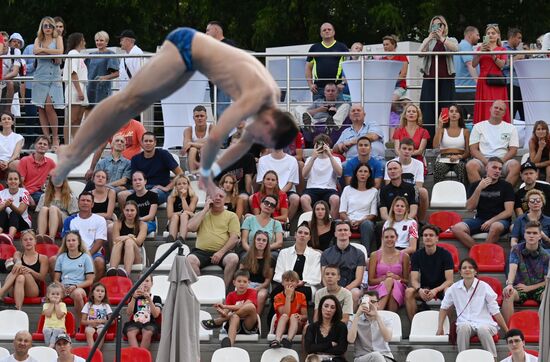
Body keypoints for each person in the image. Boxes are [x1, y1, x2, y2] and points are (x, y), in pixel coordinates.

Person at [51, 27, 298, 196]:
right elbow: (215, 137)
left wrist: (209, 171)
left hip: (193, 61)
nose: (254, 136)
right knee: (129, 100)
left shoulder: (269, 104)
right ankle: (71, 152)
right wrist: (209, 179)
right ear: (270, 125)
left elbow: (241, 146)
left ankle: (72, 153)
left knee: (134, 105)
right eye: (261, 137)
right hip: (187, 46)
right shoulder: (257, 95)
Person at [437, 258, 509, 359]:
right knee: (462, 328)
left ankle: (493, 358)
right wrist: (440, 327)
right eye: (464, 268)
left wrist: (506, 330)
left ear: (475, 271)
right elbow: (444, 307)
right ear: (460, 272)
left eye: (470, 267)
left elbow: (495, 311)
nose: (467, 270)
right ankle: (462, 358)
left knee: (482, 329)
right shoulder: (454, 288)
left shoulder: (484, 287)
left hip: (485, 323)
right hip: (465, 323)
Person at [453, 157, 515, 248]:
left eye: (500, 169)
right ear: (486, 168)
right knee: (457, 228)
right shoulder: (476, 185)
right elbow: (470, 207)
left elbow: (509, 211)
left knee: (495, 226)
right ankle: (478, 250)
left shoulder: (506, 186)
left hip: (500, 221)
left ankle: (484, 252)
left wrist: (491, 221)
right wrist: (479, 189)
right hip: (480, 220)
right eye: (494, 167)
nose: (497, 171)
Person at [187, 188, 240, 288]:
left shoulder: (231, 216)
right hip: (201, 251)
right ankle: (199, 288)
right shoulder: (202, 214)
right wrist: (205, 209)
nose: (218, 198)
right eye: (214, 196)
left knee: (233, 258)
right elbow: (190, 228)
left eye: (221, 196)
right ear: (208, 198)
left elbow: (234, 238)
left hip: (223, 251)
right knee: (190, 259)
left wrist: (221, 252)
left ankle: (223, 289)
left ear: (225, 200)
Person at [419, 15, 459, 143]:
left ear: (444, 26)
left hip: (446, 78)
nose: (437, 27)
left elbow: (455, 49)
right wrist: (430, 38)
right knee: (428, 109)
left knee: (446, 108)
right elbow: (419, 53)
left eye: (440, 25)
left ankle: (446, 139)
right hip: (430, 78)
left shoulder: (450, 39)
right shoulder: (428, 40)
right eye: (434, 25)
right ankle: (429, 141)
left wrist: (441, 38)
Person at [502, 221, 549, 324]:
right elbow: (512, 269)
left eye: (535, 233)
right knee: (508, 294)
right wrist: (509, 284)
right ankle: (509, 332)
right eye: (528, 233)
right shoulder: (516, 250)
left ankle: (545, 332)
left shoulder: (546, 255)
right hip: (519, 287)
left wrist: (529, 288)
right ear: (524, 234)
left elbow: (547, 281)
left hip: (538, 288)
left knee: (548, 295)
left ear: (540, 236)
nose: (531, 235)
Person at [404, 224, 454, 320]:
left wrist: (435, 290)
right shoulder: (416, 255)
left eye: (431, 235)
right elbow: (414, 280)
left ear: (437, 239)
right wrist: (420, 290)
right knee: (409, 291)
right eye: (425, 235)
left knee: (449, 292)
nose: (428, 237)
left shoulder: (446, 254)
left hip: (441, 289)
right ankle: (414, 326)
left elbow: (449, 280)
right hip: (424, 289)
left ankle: (448, 328)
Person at [467, 100, 520, 185]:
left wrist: (499, 163)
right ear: (490, 109)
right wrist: (488, 163)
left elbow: (513, 150)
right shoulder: (478, 126)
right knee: (471, 165)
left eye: (501, 109)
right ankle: (480, 193)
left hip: (503, 161)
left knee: (515, 165)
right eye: (496, 107)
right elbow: (473, 149)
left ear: (504, 113)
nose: (497, 110)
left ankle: (504, 192)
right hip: (483, 161)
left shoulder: (511, 128)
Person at [201, 270, 259, 348]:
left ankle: (219, 321)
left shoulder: (252, 292)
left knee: (251, 307)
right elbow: (225, 313)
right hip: (235, 324)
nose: (242, 284)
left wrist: (225, 307)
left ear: (249, 283)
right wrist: (221, 312)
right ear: (234, 282)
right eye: (239, 281)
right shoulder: (231, 295)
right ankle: (229, 346)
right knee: (234, 317)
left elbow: (244, 306)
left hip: (248, 324)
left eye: (245, 282)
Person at [120, 132, 183, 205]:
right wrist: (139, 189)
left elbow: (180, 173)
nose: (148, 143)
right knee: (122, 196)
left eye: (150, 141)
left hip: (160, 190)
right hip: (141, 188)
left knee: (150, 195)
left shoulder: (164, 155)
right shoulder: (135, 159)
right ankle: (128, 216)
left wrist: (168, 188)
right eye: (146, 141)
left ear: (155, 143)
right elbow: (134, 179)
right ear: (142, 143)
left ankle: (149, 216)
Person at [32, 17, 64, 150]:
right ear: (42, 27)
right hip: (40, 76)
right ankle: (46, 138)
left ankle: (55, 136)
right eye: (45, 26)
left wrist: (43, 50)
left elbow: (60, 52)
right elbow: (35, 51)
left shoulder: (58, 39)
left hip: (54, 77)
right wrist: (51, 53)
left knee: (49, 106)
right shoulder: (38, 39)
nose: (48, 28)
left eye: (50, 26)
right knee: (41, 108)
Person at [62, 192, 107, 280]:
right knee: (53, 260)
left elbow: (99, 241)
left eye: (88, 201)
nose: (85, 203)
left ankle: (93, 289)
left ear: (92, 204)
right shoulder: (70, 220)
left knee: (99, 262)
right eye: (82, 200)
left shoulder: (100, 220)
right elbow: (65, 240)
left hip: (93, 253)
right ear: (78, 203)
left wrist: (86, 256)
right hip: (72, 252)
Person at [273, 223, 322, 304]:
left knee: (297, 294)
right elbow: (278, 273)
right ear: (295, 235)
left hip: (305, 286)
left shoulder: (316, 255)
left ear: (309, 237)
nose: (302, 235)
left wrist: (302, 282)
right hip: (286, 285)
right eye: (300, 232)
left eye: (306, 233)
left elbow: (316, 276)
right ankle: (275, 316)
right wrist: (289, 283)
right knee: (275, 293)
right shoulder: (284, 252)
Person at [321, 221, 365, 308]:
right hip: (331, 287)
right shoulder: (326, 253)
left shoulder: (359, 254)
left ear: (350, 233)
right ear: (335, 234)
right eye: (340, 230)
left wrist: (345, 290)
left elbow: (358, 279)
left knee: (355, 293)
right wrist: (333, 289)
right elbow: (324, 277)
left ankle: (350, 320)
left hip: (351, 288)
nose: (343, 232)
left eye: (345, 230)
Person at [0, 230, 48, 310]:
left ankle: (1, 292)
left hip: (32, 290)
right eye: (25, 240)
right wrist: (18, 262)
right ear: (21, 242)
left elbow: (42, 277)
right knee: (20, 277)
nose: (28, 241)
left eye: (30, 239)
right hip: (15, 289)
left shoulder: (43, 258)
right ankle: (18, 308)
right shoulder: (18, 253)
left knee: (23, 271)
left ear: (35, 241)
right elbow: (17, 258)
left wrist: (29, 270)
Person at [53, 231, 95, 323]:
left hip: (78, 286)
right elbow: (56, 279)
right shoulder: (61, 257)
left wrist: (75, 286)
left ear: (78, 242)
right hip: (63, 286)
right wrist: (61, 286)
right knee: (52, 293)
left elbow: (90, 281)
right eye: (68, 241)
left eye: (73, 240)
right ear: (65, 243)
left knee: (77, 294)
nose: (71, 243)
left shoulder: (85, 258)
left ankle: (81, 323)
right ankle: (54, 324)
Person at [384, 138, 429, 222]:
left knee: (423, 192)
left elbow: (418, 187)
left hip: (411, 193)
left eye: (409, 149)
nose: (406, 151)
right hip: (394, 191)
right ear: (399, 150)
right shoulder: (391, 163)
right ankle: (392, 218)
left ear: (413, 151)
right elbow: (388, 184)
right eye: (404, 148)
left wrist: (406, 193)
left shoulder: (419, 164)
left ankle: (420, 221)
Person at [473, 25, 510, 124]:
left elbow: (502, 65)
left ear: (498, 35)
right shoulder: (480, 48)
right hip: (483, 81)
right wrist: (480, 52)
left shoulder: (502, 49)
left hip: (497, 81)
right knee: (485, 106)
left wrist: (492, 53)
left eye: (493, 33)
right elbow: (474, 64)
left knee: (498, 105)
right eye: (488, 33)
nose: (490, 35)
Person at [367, 227, 410, 312]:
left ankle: (377, 311)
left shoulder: (405, 256)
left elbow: (406, 281)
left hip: (398, 287)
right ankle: (387, 314)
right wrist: (384, 279)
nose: (389, 239)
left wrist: (396, 278)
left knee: (392, 283)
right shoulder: (374, 255)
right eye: (386, 237)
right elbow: (370, 281)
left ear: (396, 238)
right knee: (390, 281)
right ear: (382, 238)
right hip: (377, 287)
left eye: (392, 237)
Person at [339, 163, 379, 253]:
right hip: (348, 220)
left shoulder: (374, 191)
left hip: (364, 221)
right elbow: (342, 212)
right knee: (337, 223)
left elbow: (372, 214)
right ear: (356, 174)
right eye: (360, 171)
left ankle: (366, 254)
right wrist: (350, 221)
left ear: (369, 175)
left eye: (365, 171)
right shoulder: (347, 189)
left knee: (367, 225)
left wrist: (360, 221)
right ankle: (338, 253)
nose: (363, 174)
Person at [301, 134, 342, 219]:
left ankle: (331, 224)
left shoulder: (335, 159)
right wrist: (313, 157)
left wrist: (330, 155)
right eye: (319, 144)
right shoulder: (310, 159)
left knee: (335, 199)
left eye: (324, 144)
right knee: (304, 199)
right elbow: (304, 175)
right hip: (312, 188)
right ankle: (312, 221)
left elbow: (339, 173)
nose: (321, 147)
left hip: (329, 189)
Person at [305, 23, 348, 100]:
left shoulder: (342, 47)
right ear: (321, 34)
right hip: (319, 89)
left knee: (338, 112)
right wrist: (310, 84)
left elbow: (349, 67)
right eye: (324, 30)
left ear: (334, 32)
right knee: (318, 111)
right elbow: (308, 68)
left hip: (337, 88)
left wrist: (343, 84)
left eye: (329, 29)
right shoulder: (314, 48)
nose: (327, 31)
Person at [348, 291, 394, 362]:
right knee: (376, 356)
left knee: (378, 356)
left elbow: (387, 338)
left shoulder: (386, 319)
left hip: (385, 357)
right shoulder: (354, 319)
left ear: (378, 304)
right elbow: (350, 340)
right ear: (361, 303)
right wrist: (357, 315)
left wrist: (377, 316)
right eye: (366, 301)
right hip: (363, 357)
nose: (370, 305)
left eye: (372, 302)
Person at [205, 20, 237, 119]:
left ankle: (225, 134)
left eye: (208, 30)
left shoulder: (229, 44)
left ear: (215, 29)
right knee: (216, 114)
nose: (206, 33)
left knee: (221, 112)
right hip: (212, 84)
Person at [256, 149, 300, 220]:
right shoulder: (263, 160)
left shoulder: (292, 160)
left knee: (295, 199)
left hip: (285, 191)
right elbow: (262, 181)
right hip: (267, 190)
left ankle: (285, 223)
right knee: (252, 198)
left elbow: (290, 183)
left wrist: (279, 195)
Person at [107, 200, 146, 277]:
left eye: (132, 210)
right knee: (119, 243)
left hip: (136, 256)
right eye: (127, 210)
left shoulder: (142, 224)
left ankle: (126, 274)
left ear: (136, 211)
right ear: (123, 211)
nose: (129, 213)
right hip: (120, 255)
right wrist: (129, 236)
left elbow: (139, 242)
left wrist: (128, 239)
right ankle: (112, 271)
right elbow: (115, 240)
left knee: (129, 242)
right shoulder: (118, 223)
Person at [433, 104, 470, 184]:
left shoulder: (465, 131)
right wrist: (440, 126)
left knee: (462, 167)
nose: (454, 113)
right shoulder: (442, 130)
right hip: (444, 158)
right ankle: (438, 193)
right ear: (448, 114)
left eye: (456, 111)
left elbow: (468, 152)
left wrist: (459, 156)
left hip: (459, 159)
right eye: (451, 111)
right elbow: (435, 146)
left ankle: (464, 193)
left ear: (460, 115)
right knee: (438, 167)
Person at [270, 270, 308, 349]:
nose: (290, 283)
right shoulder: (277, 297)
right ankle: (277, 340)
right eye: (287, 280)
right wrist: (288, 296)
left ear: (297, 283)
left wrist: (300, 317)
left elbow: (305, 316)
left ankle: (288, 340)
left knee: (293, 316)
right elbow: (285, 313)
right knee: (284, 316)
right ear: (282, 283)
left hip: (296, 326)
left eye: (292, 281)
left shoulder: (302, 296)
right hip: (282, 325)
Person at [304, 295, 348, 362]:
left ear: (336, 310)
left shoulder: (341, 326)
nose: (328, 310)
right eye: (326, 306)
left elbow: (341, 349)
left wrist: (318, 348)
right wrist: (330, 344)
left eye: (332, 307)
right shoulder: (312, 327)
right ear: (321, 308)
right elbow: (309, 348)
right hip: (316, 359)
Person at [124, 274, 162, 349]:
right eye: (142, 281)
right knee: (130, 332)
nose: (144, 283)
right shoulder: (134, 296)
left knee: (147, 332)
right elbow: (128, 313)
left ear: (152, 283)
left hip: (150, 322)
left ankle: (141, 356)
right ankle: (137, 356)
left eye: (147, 281)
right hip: (135, 322)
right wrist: (134, 298)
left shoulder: (156, 298)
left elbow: (156, 315)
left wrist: (149, 300)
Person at [62, 32, 88, 143]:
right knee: (71, 120)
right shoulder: (73, 53)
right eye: (83, 40)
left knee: (78, 119)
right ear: (79, 41)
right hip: (75, 88)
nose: (85, 43)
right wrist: (79, 91)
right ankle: (68, 144)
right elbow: (73, 73)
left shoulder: (78, 55)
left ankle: (76, 143)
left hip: (81, 87)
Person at [240, 231, 274, 313]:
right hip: (247, 284)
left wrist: (257, 288)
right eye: (258, 239)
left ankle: (256, 320)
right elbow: (240, 275)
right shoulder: (246, 257)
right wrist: (247, 285)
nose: (261, 242)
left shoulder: (270, 259)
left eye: (264, 240)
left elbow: (268, 280)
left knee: (261, 295)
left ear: (267, 243)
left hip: (262, 286)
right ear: (254, 241)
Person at [36, 179, 78, 243]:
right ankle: (41, 236)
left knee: (53, 208)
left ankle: (51, 238)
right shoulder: (44, 196)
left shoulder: (70, 197)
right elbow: (39, 213)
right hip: (47, 222)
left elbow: (74, 215)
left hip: (62, 222)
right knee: (44, 209)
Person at [85, 31, 119, 111]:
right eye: (97, 40)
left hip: (103, 89)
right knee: (88, 111)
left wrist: (105, 77)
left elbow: (117, 73)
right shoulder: (91, 55)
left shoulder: (111, 54)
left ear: (106, 42)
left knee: (102, 113)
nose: (99, 42)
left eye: (101, 40)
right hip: (90, 87)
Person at [18, 135, 56, 204]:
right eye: (40, 143)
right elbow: (20, 183)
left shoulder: (50, 162)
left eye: (45, 144)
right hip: (28, 192)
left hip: (42, 192)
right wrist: (28, 197)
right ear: (35, 145)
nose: (42, 145)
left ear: (48, 148)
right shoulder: (25, 160)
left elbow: (59, 177)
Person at [393, 104, 430, 172]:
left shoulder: (424, 132)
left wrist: (405, 153)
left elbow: (420, 151)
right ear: (405, 115)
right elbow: (397, 150)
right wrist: (405, 155)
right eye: (409, 111)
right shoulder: (398, 131)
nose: (411, 113)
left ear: (418, 115)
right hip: (401, 160)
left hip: (417, 160)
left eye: (414, 111)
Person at [454, 26, 480, 118]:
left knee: (461, 120)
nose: (479, 37)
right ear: (470, 35)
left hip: (462, 88)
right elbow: (469, 64)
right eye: (477, 35)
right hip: (468, 89)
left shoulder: (461, 46)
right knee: (475, 117)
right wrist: (478, 83)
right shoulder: (465, 46)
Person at [0, 170, 31, 244]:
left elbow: (20, 211)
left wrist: (11, 205)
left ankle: (10, 237)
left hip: (22, 223)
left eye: (15, 179)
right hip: (6, 223)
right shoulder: (1, 193)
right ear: (6, 182)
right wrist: (4, 205)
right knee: (2, 213)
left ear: (19, 181)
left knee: (14, 213)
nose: (13, 181)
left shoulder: (24, 192)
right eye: (10, 179)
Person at [125, 171, 158, 235]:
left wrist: (137, 221)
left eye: (140, 179)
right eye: (135, 180)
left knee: (138, 227)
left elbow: (151, 216)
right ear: (132, 183)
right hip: (133, 223)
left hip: (149, 223)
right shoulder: (130, 198)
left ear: (145, 181)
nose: (137, 182)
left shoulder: (153, 195)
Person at [80, 282, 112, 350]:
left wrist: (102, 321)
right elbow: (83, 321)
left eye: (102, 291)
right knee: (88, 331)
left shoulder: (106, 306)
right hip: (90, 325)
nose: (100, 293)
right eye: (97, 291)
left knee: (101, 331)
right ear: (92, 293)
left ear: (105, 294)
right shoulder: (88, 305)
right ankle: (93, 352)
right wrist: (91, 322)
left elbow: (112, 321)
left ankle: (97, 352)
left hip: (101, 326)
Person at [502, 28, 525, 122]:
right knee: (512, 112)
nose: (520, 41)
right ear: (512, 37)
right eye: (519, 38)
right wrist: (516, 58)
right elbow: (502, 65)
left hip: (519, 85)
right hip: (510, 84)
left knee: (523, 113)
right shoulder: (503, 49)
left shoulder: (515, 50)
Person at [166, 174, 197, 242]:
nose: (182, 185)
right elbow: (169, 215)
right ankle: (171, 240)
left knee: (184, 215)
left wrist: (183, 198)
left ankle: (181, 240)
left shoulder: (193, 197)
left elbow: (190, 212)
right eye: (179, 184)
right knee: (175, 216)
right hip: (174, 223)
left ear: (188, 185)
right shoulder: (171, 197)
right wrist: (179, 213)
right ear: (176, 186)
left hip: (189, 223)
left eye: (184, 183)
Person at [183, 105, 211, 172]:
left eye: (202, 116)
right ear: (193, 118)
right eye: (197, 116)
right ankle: (192, 175)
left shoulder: (212, 128)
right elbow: (186, 146)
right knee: (192, 149)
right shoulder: (188, 130)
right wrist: (203, 142)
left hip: (209, 159)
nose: (199, 118)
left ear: (206, 117)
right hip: (193, 159)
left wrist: (192, 143)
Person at [381, 35, 409, 100]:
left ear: (393, 45)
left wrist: (390, 82)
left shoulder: (402, 56)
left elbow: (403, 74)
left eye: (387, 44)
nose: (385, 46)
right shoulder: (382, 59)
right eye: (384, 45)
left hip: (399, 87)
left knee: (391, 100)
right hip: (385, 87)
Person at [90, 170, 116, 235]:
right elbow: (86, 214)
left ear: (106, 181)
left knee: (110, 226)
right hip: (91, 221)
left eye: (103, 177)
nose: (100, 178)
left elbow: (109, 215)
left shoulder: (111, 192)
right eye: (98, 176)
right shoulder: (89, 194)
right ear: (93, 179)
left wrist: (92, 215)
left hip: (106, 221)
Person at [42, 282, 67, 348]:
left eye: (57, 294)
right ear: (48, 295)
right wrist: (52, 304)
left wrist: (56, 304)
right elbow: (48, 314)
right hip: (48, 327)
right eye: (52, 294)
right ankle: (50, 347)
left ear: (61, 296)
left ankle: (51, 347)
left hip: (60, 327)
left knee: (57, 331)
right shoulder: (45, 305)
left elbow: (59, 316)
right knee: (46, 330)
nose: (55, 296)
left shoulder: (62, 305)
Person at [0, 112, 24, 176]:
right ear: (0, 123)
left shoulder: (18, 137)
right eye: (4, 119)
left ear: (12, 122)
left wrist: (7, 162)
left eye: (9, 119)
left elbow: (16, 155)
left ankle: (19, 185)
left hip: (11, 161)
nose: (6, 121)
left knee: (17, 163)